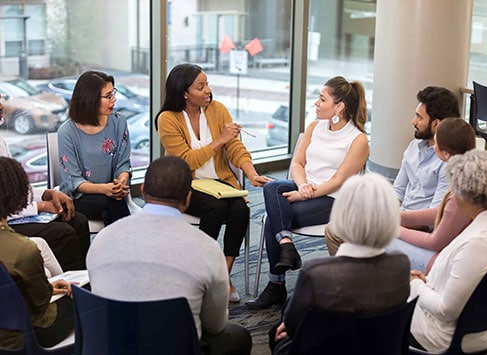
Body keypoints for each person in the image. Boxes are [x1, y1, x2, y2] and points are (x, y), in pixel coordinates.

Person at [87, 156, 252, 355]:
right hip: (174, 347)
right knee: (239, 336)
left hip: (110, 347)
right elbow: (215, 324)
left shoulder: (103, 239)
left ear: (144, 191)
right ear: (188, 198)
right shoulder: (206, 248)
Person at [246, 76, 369, 310]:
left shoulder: (358, 140)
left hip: (334, 199)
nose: (316, 103)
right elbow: (298, 164)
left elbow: (340, 179)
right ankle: (286, 243)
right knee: (273, 187)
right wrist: (302, 186)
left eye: (322, 99)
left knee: (275, 216)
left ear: (339, 107)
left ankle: (276, 286)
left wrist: (306, 195)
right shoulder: (314, 127)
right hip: (308, 186)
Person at [156, 63, 271, 303]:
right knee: (216, 208)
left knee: (241, 209)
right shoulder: (167, 119)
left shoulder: (217, 109)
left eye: (207, 84)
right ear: (184, 92)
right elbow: (186, 161)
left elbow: (236, 148)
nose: (208, 90)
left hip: (220, 183)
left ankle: (221, 274)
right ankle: (204, 268)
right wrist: (220, 139)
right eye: (201, 86)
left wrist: (250, 173)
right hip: (186, 185)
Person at [269, 173, 410, 354]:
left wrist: (288, 326)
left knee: (277, 331)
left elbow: (292, 326)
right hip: (376, 347)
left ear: (340, 216)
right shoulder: (401, 264)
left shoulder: (317, 273)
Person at [409, 149, 487, 353]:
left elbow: (446, 310)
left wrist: (417, 285)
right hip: (484, 327)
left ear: (465, 196)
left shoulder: (478, 243)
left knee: (376, 313)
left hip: (443, 337)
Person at [325, 118, 476, 273]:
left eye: (436, 144)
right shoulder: (468, 177)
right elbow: (439, 213)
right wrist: (395, 216)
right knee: (360, 233)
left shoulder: (459, 194)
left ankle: (353, 282)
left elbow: (436, 241)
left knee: (367, 238)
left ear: (446, 153)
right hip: (446, 253)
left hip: (441, 262)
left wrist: (395, 228)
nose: (433, 147)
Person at [0, 95, 89, 272]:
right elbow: (4, 203)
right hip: (5, 222)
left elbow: (14, 188)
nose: (2, 105)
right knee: (63, 234)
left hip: (14, 213)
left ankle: (85, 283)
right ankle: (67, 290)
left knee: (78, 220)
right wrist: (40, 207)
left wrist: (47, 194)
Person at [0, 156, 74, 350]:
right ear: (16, 195)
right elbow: (41, 307)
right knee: (85, 300)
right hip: (22, 338)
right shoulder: (23, 250)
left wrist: (48, 286)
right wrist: (48, 289)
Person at [58, 70, 131, 226]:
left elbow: (123, 163)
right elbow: (73, 181)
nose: (114, 99)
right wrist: (105, 189)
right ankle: (127, 245)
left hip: (111, 192)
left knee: (112, 201)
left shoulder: (119, 122)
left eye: (113, 93)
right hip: (78, 198)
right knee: (110, 202)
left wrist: (121, 182)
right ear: (90, 99)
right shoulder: (67, 132)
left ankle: (122, 246)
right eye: (108, 96)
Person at [393, 86, 460, 211]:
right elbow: (398, 190)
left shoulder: (449, 162)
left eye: (419, 117)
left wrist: (399, 220)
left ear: (436, 124)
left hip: (421, 225)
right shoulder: (414, 146)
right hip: (402, 217)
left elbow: (435, 214)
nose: (414, 122)